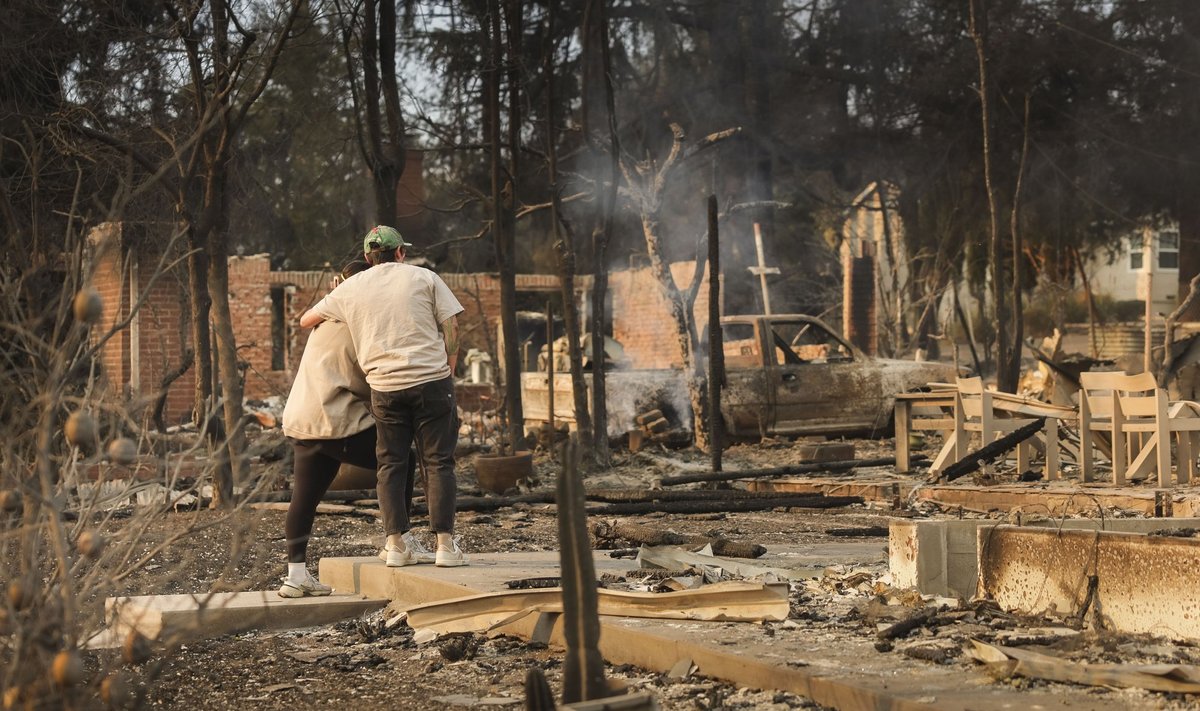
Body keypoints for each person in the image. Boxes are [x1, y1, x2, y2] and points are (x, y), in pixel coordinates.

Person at [300, 226, 466, 567]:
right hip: (431, 381)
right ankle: (445, 547)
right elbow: (452, 327)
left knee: (391, 464)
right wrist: (449, 370)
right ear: (401, 252)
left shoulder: (352, 288)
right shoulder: (425, 277)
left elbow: (306, 320)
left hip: (385, 387)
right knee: (438, 463)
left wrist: (339, 299)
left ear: (367, 257)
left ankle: (395, 546)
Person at [278, 260, 432, 598]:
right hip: (333, 419)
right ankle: (400, 541)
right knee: (398, 461)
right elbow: (371, 378)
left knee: (304, 496)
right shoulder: (359, 322)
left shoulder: (328, 318)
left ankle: (296, 576)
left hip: (302, 418)